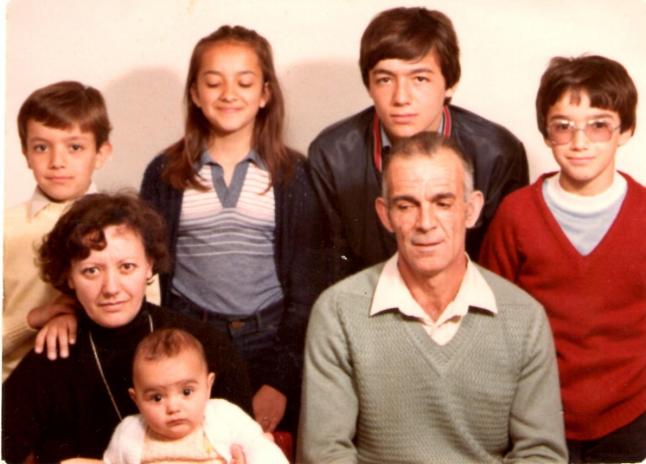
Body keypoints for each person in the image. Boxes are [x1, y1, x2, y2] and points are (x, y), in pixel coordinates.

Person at [299, 133, 566, 463]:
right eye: (406, 205)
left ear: (471, 210)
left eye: (443, 203)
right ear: (385, 214)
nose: (425, 223)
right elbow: (324, 454)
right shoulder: (338, 311)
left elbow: (541, 453)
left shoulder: (524, 317)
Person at [140, 25, 327, 435]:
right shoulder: (164, 172)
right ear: (195, 93)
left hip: (271, 339)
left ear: (265, 94)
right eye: (213, 82)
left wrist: (280, 379)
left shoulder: (293, 174)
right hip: (191, 336)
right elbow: (147, 270)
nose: (229, 94)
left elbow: (306, 288)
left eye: (244, 82)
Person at [479, 55, 646, 463]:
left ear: (625, 130)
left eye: (598, 125)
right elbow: (489, 320)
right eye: (563, 126)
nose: (579, 142)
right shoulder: (517, 214)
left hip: (632, 417)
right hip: (537, 416)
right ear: (546, 132)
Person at [2, 193, 252, 463]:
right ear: (69, 277)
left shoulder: (207, 344)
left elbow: (249, 446)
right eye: (91, 271)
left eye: (127, 267)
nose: (111, 288)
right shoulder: (51, 357)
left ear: (149, 266)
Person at [308, 6, 528, 281]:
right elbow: (330, 271)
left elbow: (501, 271)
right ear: (369, 86)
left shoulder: (498, 153)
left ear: (450, 83)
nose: (401, 97)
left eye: (420, 79)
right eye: (385, 80)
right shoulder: (331, 155)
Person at [2, 81, 113, 380]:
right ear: (25, 153)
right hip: (13, 388)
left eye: (74, 147)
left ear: (101, 152)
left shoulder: (126, 228)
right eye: (41, 147)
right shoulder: (7, 229)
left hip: (97, 385)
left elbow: (147, 316)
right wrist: (32, 320)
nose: (57, 162)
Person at [104, 328, 287, 464]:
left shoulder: (224, 416)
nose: (173, 407)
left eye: (186, 392)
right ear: (136, 399)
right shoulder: (129, 433)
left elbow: (260, 449)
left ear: (208, 386)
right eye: (157, 398)